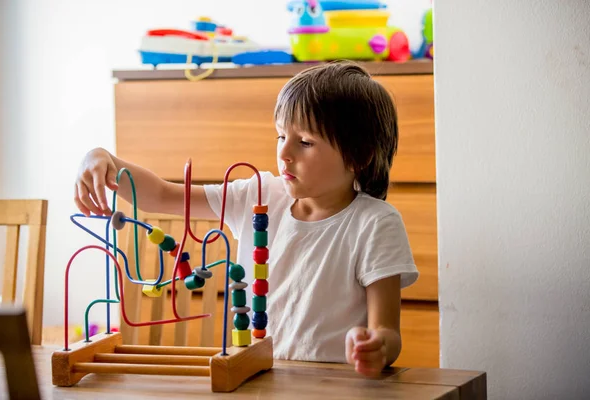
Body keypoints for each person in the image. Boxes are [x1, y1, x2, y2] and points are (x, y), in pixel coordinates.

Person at [74, 60, 419, 378]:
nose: (284, 153)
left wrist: (375, 348)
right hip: (255, 382)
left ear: (359, 156)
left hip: (330, 387)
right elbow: (163, 195)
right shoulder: (258, 194)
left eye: (305, 142)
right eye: (281, 136)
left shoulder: (376, 224)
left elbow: (387, 333)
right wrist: (103, 158)